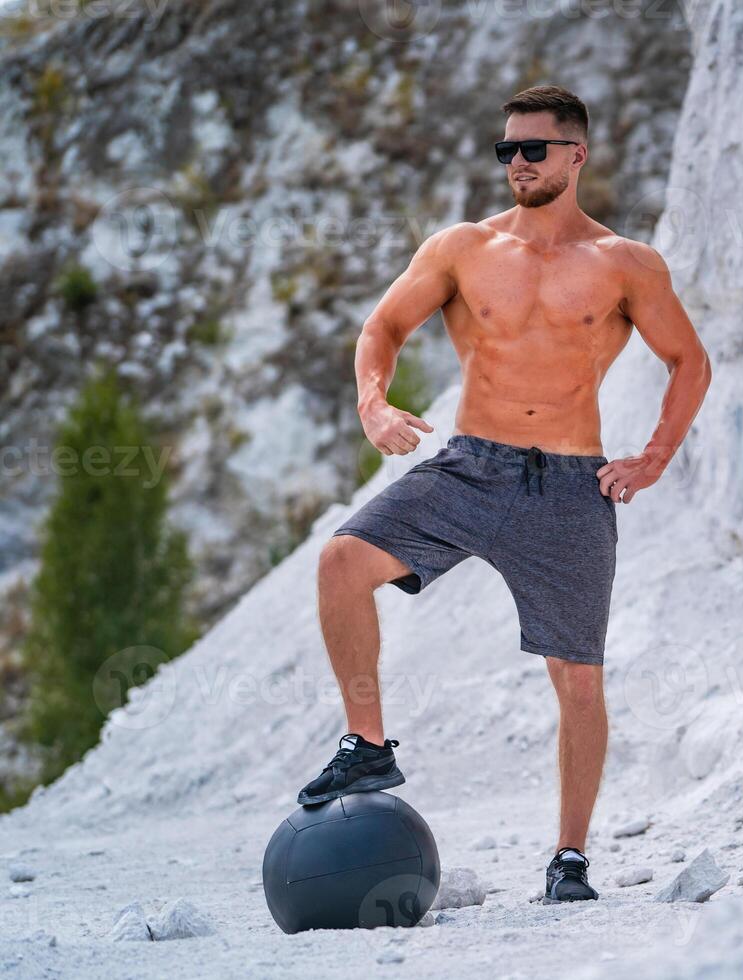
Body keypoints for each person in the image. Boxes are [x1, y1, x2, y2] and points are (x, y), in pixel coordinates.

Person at [296, 85, 712, 903]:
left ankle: (568, 858)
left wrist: (655, 456)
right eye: (506, 151)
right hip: (471, 467)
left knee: (579, 680)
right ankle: (368, 740)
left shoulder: (626, 264)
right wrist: (373, 403)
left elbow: (689, 361)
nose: (516, 163)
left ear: (576, 155)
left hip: (568, 485)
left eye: (532, 149)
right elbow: (379, 329)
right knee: (343, 561)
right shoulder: (463, 248)